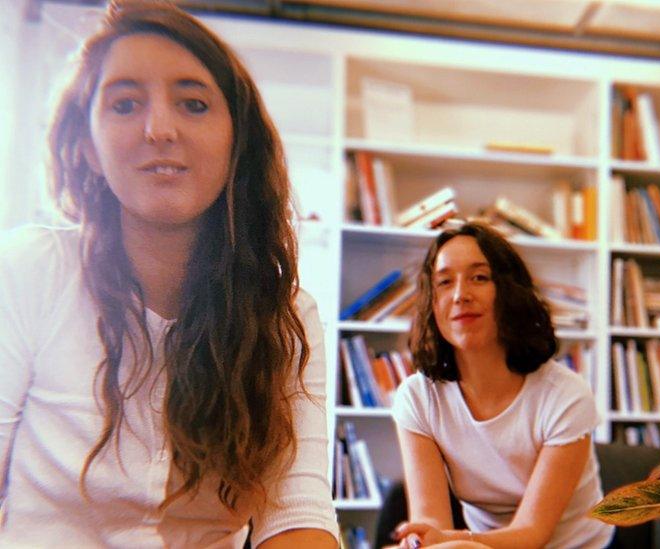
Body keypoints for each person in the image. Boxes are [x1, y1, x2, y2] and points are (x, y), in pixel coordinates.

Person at [0, 1, 339, 547]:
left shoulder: (287, 316)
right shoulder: (26, 271)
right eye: (125, 103)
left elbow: (296, 511)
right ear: (86, 146)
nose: (159, 128)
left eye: (194, 103)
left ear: (236, 144)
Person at [390, 222, 614, 549]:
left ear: (510, 292)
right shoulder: (418, 397)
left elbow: (533, 533)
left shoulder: (565, 395)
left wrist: (460, 543)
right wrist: (429, 542)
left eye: (479, 277)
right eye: (444, 282)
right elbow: (431, 525)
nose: (459, 295)